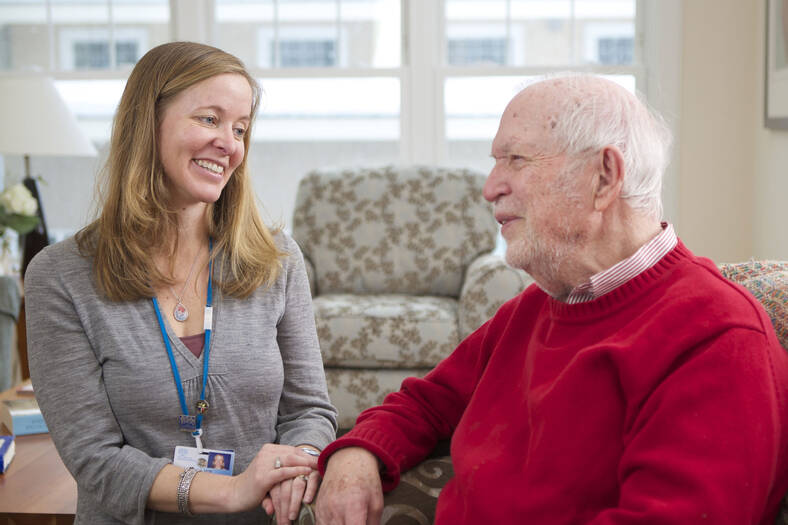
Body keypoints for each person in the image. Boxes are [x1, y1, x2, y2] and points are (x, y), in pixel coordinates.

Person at [314, 74, 788, 524]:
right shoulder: (539, 306)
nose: (489, 186)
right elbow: (426, 402)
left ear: (604, 178)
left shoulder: (717, 338)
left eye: (515, 159)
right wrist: (360, 452)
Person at [25, 41, 337, 524]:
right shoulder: (60, 276)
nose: (230, 144)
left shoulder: (277, 259)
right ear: (147, 123)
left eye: (240, 129)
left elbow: (309, 412)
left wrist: (295, 468)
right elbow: (95, 458)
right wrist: (233, 490)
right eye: (209, 119)